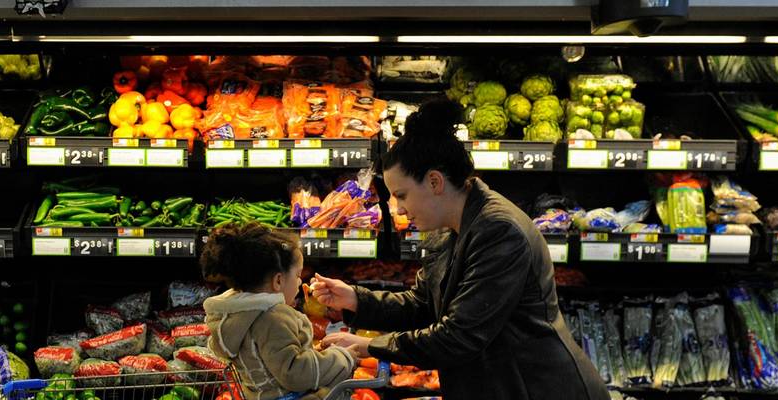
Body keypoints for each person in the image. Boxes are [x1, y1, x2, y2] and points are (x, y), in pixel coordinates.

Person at [312, 99, 609, 400]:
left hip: (537, 387)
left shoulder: (499, 231)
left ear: (434, 181)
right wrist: (355, 300)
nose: (399, 210)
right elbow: (425, 305)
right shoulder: (446, 228)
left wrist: (369, 346)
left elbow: (460, 336)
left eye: (401, 195)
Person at [201, 222, 356, 400]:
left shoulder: (239, 314)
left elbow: (271, 360)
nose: (300, 282)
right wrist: (343, 357)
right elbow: (295, 374)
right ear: (278, 281)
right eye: (298, 275)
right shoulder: (272, 318)